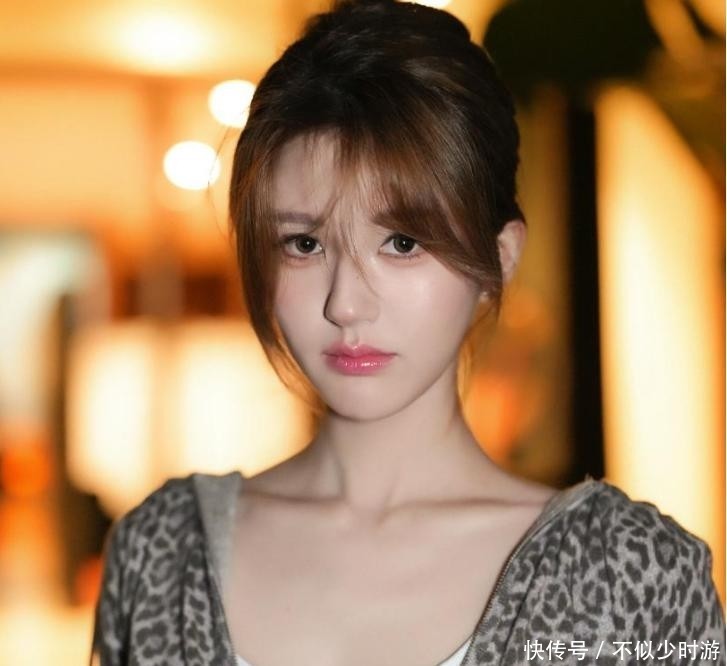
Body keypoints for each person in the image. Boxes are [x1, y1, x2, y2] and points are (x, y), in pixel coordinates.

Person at [90, 0, 726, 664]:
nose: (345, 304)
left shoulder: (633, 573)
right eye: (304, 244)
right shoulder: (163, 555)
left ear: (500, 258)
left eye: (401, 242)